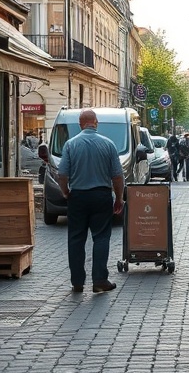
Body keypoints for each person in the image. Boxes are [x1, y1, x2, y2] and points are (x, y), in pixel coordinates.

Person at [57, 108, 124, 293]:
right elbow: (117, 177)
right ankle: (100, 280)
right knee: (101, 237)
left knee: (76, 238)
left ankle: (77, 282)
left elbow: (62, 174)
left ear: (80, 124)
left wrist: (65, 192)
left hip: (78, 196)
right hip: (101, 196)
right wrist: (119, 198)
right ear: (96, 123)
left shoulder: (70, 144)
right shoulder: (108, 144)